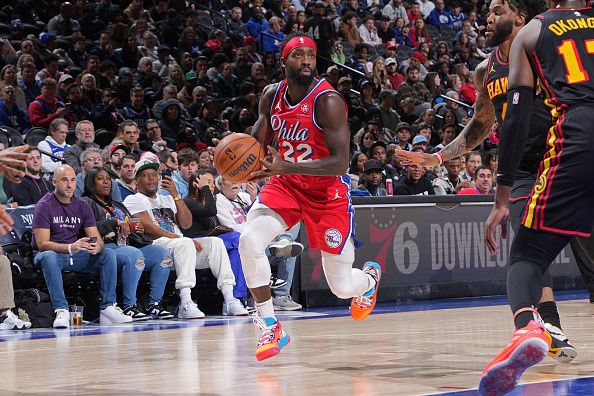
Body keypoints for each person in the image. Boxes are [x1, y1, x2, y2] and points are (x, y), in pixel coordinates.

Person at [394, 0, 583, 391]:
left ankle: (542, 327)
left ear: (519, 16)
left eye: (498, 10)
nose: (488, 17)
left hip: (563, 153)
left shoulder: (540, 45)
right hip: (522, 169)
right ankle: (546, 326)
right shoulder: (485, 70)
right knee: (526, 243)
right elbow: (480, 126)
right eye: (488, 11)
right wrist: (438, 156)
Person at [238, 33, 381, 361]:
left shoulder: (327, 101)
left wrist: (284, 165)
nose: (306, 61)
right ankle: (269, 324)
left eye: (311, 56)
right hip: (285, 185)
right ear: (283, 61)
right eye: (298, 55)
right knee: (248, 240)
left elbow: (341, 162)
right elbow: (257, 143)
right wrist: (237, 158)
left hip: (326, 194)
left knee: (342, 287)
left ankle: (369, 278)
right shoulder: (270, 96)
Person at [480, 1, 594, 393]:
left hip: (578, 134)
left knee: (527, 254)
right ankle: (552, 326)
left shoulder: (532, 33)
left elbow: (514, 119)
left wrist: (500, 196)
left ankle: (528, 327)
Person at [32, 165, 132, 328]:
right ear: (54, 182)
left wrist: (98, 247)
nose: (70, 185)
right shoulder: (44, 205)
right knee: (49, 256)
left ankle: (108, 307)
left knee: (108, 254)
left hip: (74, 253)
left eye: (72, 180)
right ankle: (61, 309)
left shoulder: (82, 205)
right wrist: (70, 247)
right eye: (64, 180)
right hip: (51, 254)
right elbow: (42, 244)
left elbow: (96, 238)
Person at [82, 167, 174, 320]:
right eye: (100, 179)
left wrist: (136, 228)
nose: (106, 182)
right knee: (135, 255)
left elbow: (131, 225)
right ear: (91, 183)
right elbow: (87, 228)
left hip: (126, 244)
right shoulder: (86, 203)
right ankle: (129, 306)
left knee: (163, 256)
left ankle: (154, 304)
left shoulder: (117, 204)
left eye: (108, 179)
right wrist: (114, 223)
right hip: (105, 246)